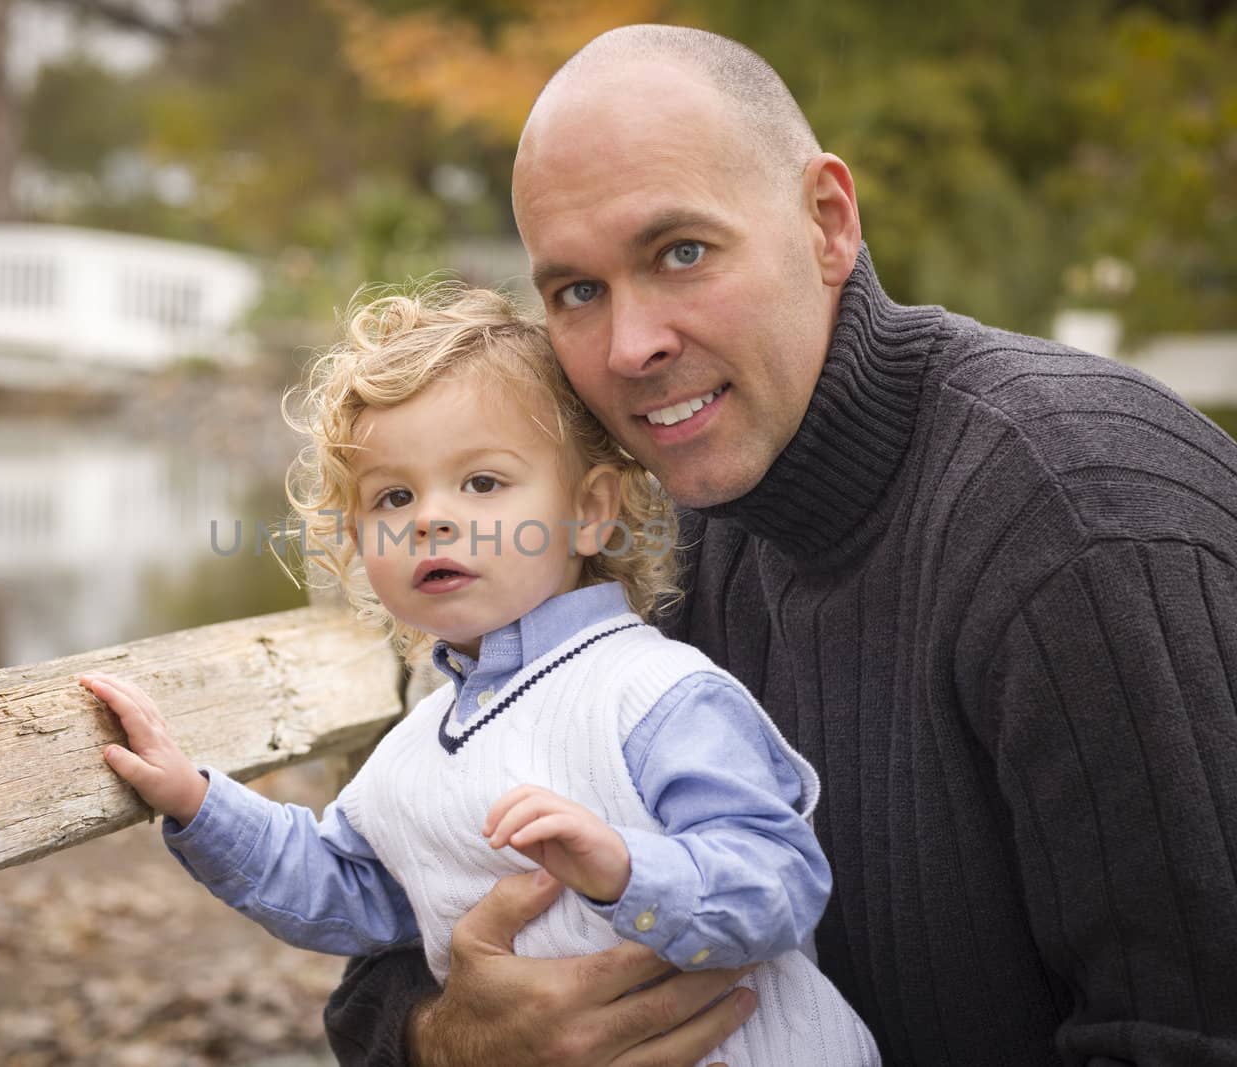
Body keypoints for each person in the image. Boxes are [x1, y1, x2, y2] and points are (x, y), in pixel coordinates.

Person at [322, 23, 1237, 1067]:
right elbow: (382, 952)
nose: (632, 347)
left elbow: (1187, 1032)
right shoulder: (626, 547)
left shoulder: (1085, 518)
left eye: (680, 253)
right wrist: (451, 1040)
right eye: (576, 290)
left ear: (826, 222)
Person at [79, 285, 881, 1066]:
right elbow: (345, 890)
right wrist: (195, 800)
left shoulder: (656, 694)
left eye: (484, 483)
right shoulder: (415, 750)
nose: (429, 517)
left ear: (590, 510)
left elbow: (780, 880)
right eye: (393, 496)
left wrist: (625, 869)